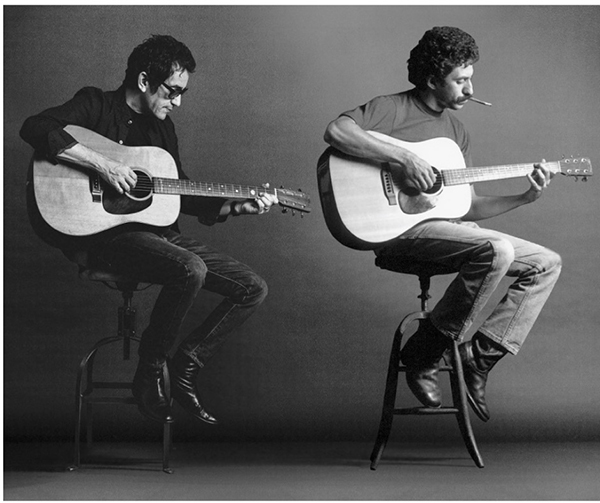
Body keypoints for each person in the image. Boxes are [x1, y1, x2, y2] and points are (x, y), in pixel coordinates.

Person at [20, 35, 278, 425]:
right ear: (144, 81)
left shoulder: (163, 131)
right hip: (107, 239)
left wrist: (237, 206)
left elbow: (182, 192)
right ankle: (151, 369)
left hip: (160, 238)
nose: (178, 102)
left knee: (253, 288)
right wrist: (102, 165)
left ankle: (186, 366)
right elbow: (35, 127)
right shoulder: (95, 103)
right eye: (172, 91)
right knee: (190, 268)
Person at [323, 26, 562, 421]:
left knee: (546, 263)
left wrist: (525, 197)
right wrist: (402, 159)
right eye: (461, 80)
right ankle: (425, 352)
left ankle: (477, 358)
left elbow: (462, 208)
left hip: (446, 232)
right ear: (433, 80)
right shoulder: (392, 108)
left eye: (471, 78)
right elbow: (336, 131)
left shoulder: (456, 132)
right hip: (398, 235)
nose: (470, 89)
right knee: (495, 249)